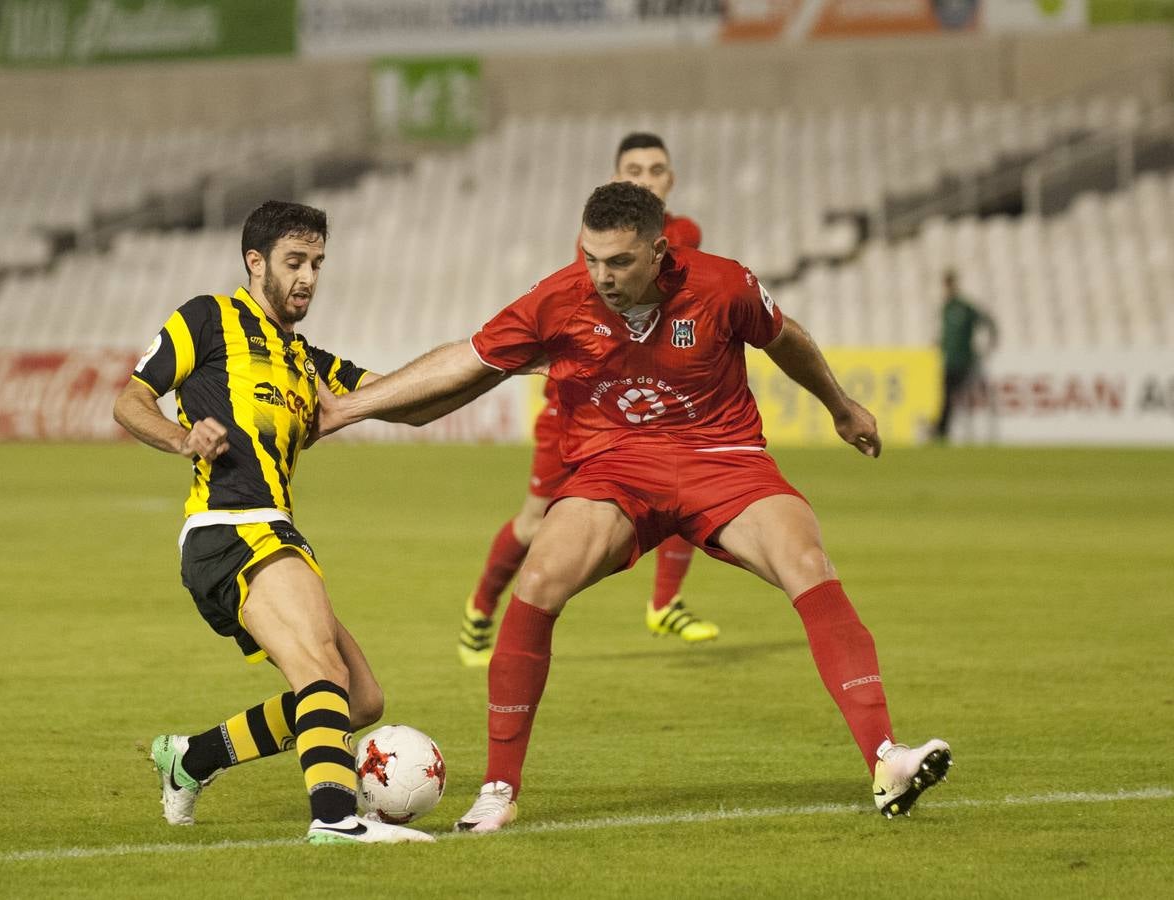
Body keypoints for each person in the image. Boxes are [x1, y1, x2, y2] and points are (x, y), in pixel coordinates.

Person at [316, 182, 953, 832]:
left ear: (658, 250)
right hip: (613, 469)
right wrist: (350, 408)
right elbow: (466, 360)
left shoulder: (723, 285)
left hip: (723, 458)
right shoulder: (559, 299)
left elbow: (783, 337)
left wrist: (840, 407)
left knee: (808, 561)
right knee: (538, 581)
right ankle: (499, 791)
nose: (602, 276)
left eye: (618, 262)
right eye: (592, 258)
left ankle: (886, 758)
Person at [112, 200, 436, 844]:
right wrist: (181, 439)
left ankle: (191, 759)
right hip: (231, 523)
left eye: (317, 262)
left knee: (361, 700)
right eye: (294, 261)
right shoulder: (207, 318)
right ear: (255, 263)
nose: (308, 277)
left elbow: (409, 402)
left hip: (264, 529)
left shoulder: (305, 358)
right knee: (322, 671)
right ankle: (336, 818)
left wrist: (501, 361)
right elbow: (130, 401)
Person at [459, 132, 717, 669]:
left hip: (640, 398)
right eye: (634, 170)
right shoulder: (598, 246)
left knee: (689, 482)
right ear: (617, 179)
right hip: (578, 403)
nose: (645, 178)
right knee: (535, 524)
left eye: (656, 169)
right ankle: (480, 609)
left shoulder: (685, 235)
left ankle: (664, 603)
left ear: (670, 180)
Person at [933, 270, 998, 442]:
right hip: (949, 360)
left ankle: (945, 430)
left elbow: (987, 321)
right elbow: (946, 333)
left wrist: (990, 344)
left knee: (958, 397)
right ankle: (942, 430)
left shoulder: (964, 306)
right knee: (946, 396)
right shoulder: (946, 307)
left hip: (964, 360)